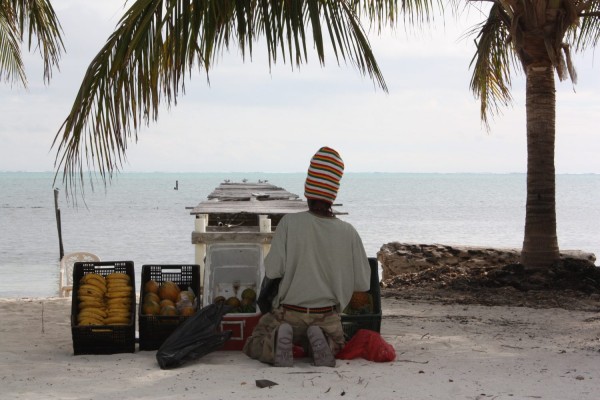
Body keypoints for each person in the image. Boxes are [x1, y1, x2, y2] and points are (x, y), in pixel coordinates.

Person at [242, 146, 371, 367]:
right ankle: (322, 343)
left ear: (307, 190)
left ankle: (275, 343)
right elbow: (363, 283)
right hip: (327, 316)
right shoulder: (349, 232)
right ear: (333, 194)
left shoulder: (289, 224)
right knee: (337, 344)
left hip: (290, 314)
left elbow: (273, 270)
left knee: (254, 341)